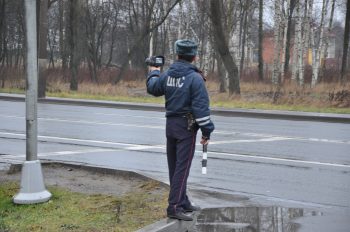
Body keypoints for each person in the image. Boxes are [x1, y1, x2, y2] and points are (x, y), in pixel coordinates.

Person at [146, 39, 215, 221]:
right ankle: (174, 207)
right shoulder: (195, 78)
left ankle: (183, 201)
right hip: (186, 127)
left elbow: (153, 88)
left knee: (174, 166)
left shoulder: (168, 74)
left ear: (178, 55)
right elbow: (201, 109)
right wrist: (206, 131)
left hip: (171, 125)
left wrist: (153, 72)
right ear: (194, 56)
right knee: (182, 168)